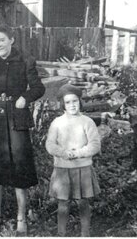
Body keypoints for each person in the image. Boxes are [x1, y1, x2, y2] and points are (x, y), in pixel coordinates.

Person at [0, 24, 45, 235]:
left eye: (2, 40)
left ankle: (21, 216)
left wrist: (26, 97)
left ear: (11, 40)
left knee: (19, 167)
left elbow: (38, 88)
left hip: (17, 119)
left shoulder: (25, 61)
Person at [45, 84, 101, 237]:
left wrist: (79, 153)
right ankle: (61, 233)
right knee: (63, 203)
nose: (72, 105)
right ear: (63, 104)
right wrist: (63, 153)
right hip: (63, 168)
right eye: (68, 102)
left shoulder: (87, 122)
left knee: (83, 202)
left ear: (80, 102)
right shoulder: (57, 122)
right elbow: (50, 144)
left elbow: (95, 145)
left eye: (75, 101)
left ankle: (85, 233)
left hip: (82, 168)